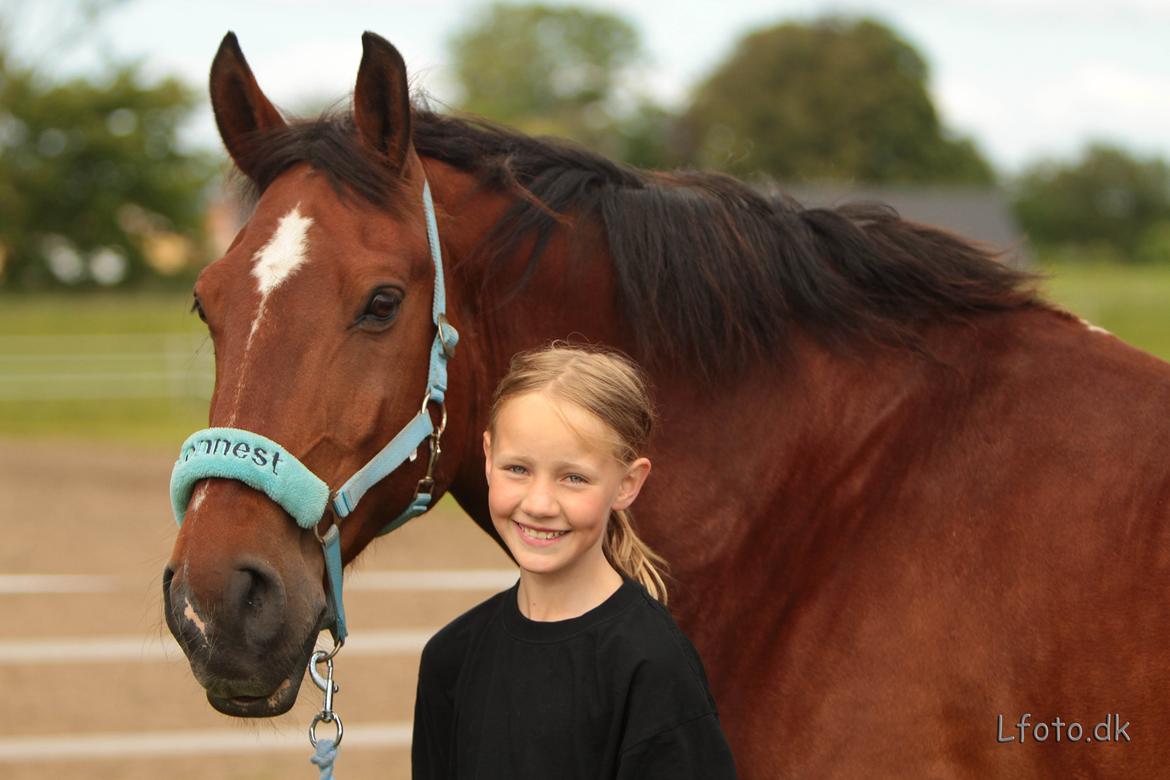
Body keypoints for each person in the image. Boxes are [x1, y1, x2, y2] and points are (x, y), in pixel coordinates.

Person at [411, 344, 738, 779]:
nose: (540, 504)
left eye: (574, 478)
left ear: (627, 483)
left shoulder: (652, 665)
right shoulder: (450, 658)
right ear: (488, 457)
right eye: (518, 469)